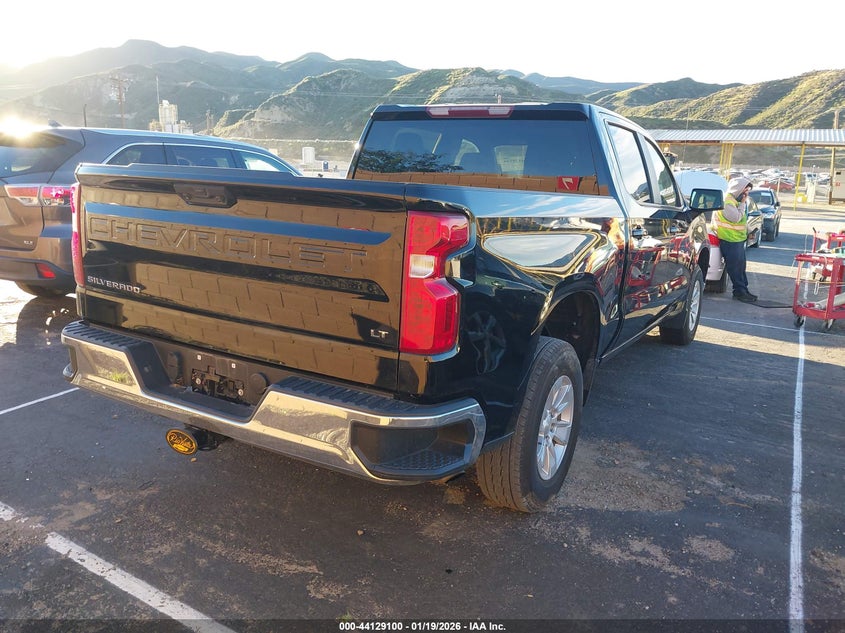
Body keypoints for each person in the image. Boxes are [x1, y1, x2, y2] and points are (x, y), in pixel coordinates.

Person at [713, 177, 757, 303]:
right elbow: (736, 218)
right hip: (729, 240)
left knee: (741, 267)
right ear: (738, 189)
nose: (746, 194)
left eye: (748, 191)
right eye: (745, 191)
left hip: (738, 240)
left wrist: (749, 232)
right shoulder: (727, 201)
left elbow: (742, 220)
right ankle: (739, 292)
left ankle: (744, 290)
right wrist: (743, 203)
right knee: (735, 268)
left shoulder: (735, 201)